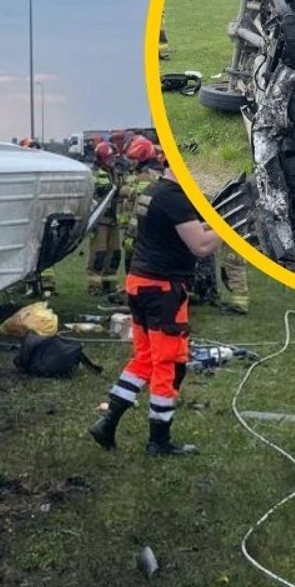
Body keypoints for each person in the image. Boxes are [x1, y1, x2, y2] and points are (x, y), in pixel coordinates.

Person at [88, 159, 222, 457]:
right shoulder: (174, 197)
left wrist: (209, 224)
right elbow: (200, 247)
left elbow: (180, 229)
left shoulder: (155, 190)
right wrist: (228, 229)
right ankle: (158, 440)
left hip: (141, 282)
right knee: (169, 364)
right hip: (163, 289)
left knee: (145, 359)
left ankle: (107, 422)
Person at [110, 137, 163, 303]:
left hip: (140, 230)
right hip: (147, 229)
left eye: (134, 160)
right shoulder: (150, 174)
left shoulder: (145, 178)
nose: (131, 163)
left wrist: (131, 233)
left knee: (134, 261)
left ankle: (134, 292)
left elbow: (138, 209)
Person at [84, 142, 124, 298]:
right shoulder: (94, 173)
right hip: (100, 219)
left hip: (114, 219)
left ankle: (109, 285)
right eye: (110, 158)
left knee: (114, 254)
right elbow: (92, 193)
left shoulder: (116, 172)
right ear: (102, 158)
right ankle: (94, 287)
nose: (113, 160)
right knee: (98, 254)